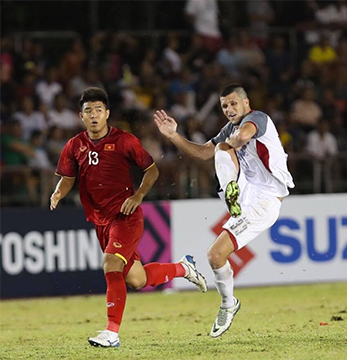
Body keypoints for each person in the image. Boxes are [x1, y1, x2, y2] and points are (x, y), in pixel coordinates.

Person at [51, 88, 207, 348]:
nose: (94, 115)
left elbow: (151, 170)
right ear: (81, 115)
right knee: (137, 279)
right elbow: (67, 178)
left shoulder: (124, 141)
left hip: (126, 216)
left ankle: (111, 332)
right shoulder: (74, 145)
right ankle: (183, 268)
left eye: (99, 110)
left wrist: (138, 196)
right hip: (100, 222)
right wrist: (58, 192)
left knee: (111, 262)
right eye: (88, 111)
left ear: (107, 114)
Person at [154, 84, 295, 338]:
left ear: (246, 103)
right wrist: (174, 136)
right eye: (224, 106)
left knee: (214, 255)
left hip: (266, 201)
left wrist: (234, 141)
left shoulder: (257, 118)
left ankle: (228, 305)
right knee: (219, 149)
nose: (229, 109)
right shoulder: (229, 130)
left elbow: (244, 135)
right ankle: (231, 192)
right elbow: (202, 152)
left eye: (233, 103)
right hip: (246, 190)